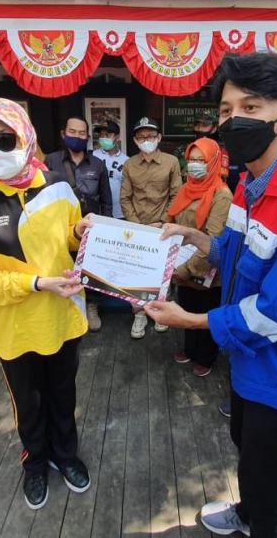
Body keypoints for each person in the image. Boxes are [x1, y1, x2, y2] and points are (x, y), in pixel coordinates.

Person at [144, 53, 277, 538]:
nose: (234, 119)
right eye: (225, 109)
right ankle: (246, 513)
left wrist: (192, 322)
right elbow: (241, 254)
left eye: (251, 106)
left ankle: (262, 525)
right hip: (250, 355)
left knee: (265, 466)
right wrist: (196, 238)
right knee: (245, 440)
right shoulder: (250, 184)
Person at [0, 98, 92, 511]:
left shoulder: (58, 186)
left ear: (26, 136)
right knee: (28, 403)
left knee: (64, 395)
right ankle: (35, 462)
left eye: (5, 138)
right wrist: (34, 282)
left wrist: (79, 232)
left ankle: (66, 455)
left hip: (64, 317)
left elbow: (67, 239)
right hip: (13, 326)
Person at [167, 137, 231, 377]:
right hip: (181, 262)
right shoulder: (187, 188)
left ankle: (206, 356)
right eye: (192, 159)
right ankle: (190, 348)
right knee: (186, 307)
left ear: (213, 162)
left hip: (206, 269)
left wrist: (187, 268)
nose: (195, 165)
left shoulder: (222, 195)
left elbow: (214, 239)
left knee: (205, 313)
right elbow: (173, 218)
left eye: (201, 160)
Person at [45, 116, 111, 332]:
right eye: (72, 132)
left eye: (82, 133)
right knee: (63, 271)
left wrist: (105, 230)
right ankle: (66, 310)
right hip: (60, 230)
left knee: (90, 272)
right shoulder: (50, 161)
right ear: (64, 134)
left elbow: (106, 200)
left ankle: (91, 306)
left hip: (90, 231)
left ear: (88, 137)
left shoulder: (98, 165)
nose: (77, 136)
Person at [120, 117, 181, 338]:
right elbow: (125, 198)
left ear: (159, 138)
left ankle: (160, 312)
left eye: (151, 136)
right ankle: (139, 314)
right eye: (142, 137)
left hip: (163, 228)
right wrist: (137, 225)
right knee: (135, 273)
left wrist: (163, 221)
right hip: (136, 228)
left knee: (162, 272)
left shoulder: (171, 162)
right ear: (135, 140)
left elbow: (177, 195)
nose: (147, 140)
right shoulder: (129, 164)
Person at [92, 119, 126, 220]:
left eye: (107, 135)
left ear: (117, 136)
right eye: (101, 135)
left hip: (119, 213)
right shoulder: (93, 156)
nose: (103, 138)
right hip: (97, 212)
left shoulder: (126, 160)